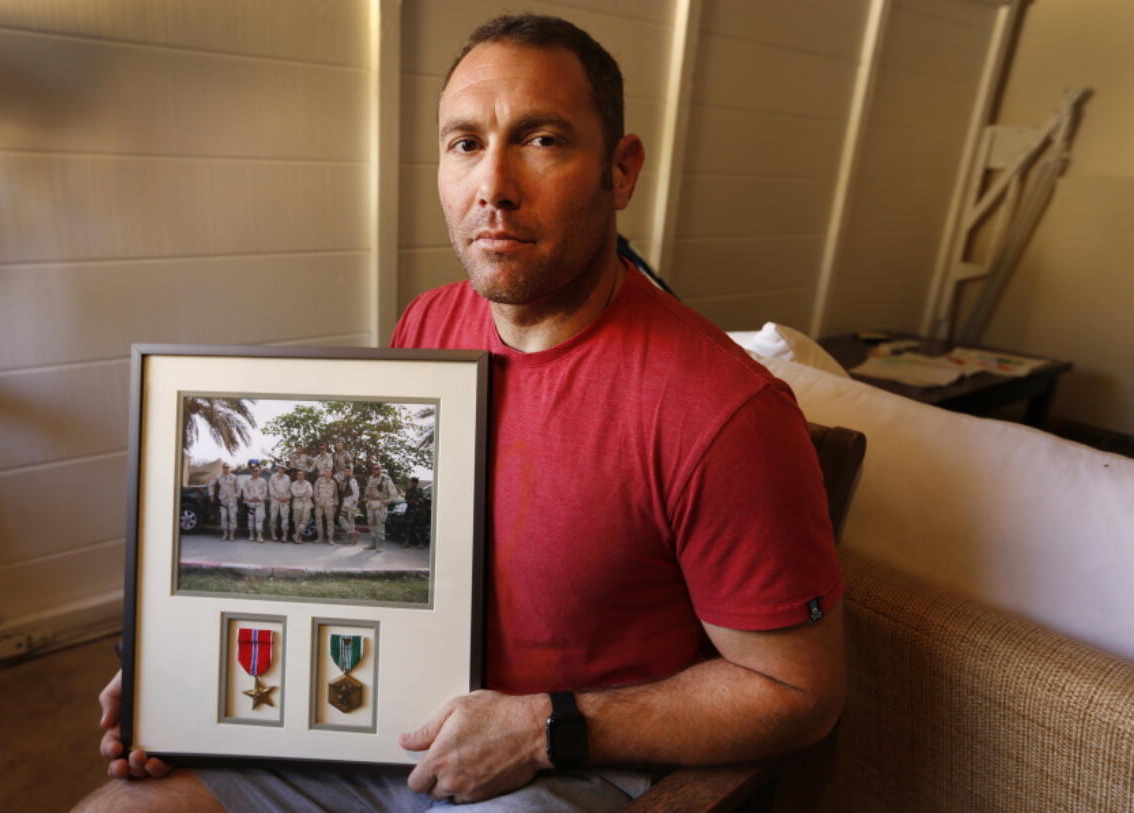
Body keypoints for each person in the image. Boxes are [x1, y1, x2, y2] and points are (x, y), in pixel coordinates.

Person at [85, 14, 843, 812]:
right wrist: (189, 661)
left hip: (563, 763)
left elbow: (800, 690)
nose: (493, 186)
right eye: (465, 143)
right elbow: (379, 566)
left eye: (542, 139)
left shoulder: (724, 412)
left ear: (620, 173)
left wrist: (546, 726)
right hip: (388, 718)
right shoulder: (426, 326)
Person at [363, 463, 397, 551]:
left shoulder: (386, 479)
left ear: (381, 469)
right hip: (370, 504)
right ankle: (372, 543)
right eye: (374, 468)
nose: (376, 470)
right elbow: (367, 489)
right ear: (372, 469)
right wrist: (366, 498)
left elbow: (393, 492)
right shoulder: (370, 478)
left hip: (380, 504)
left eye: (378, 468)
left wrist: (388, 501)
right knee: (371, 524)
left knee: (380, 525)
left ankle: (380, 545)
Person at [207, 462, 239, 541]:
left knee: (232, 517)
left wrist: (237, 496)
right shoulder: (218, 477)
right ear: (222, 468)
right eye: (224, 467)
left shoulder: (234, 477)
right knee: (223, 517)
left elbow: (239, 488)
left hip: (232, 500)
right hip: (223, 500)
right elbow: (211, 485)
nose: (226, 469)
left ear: (229, 468)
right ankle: (225, 533)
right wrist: (211, 495)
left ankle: (232, 534)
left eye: (227, 467)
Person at [238, 462, 267, 543]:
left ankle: (259, 536)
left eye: (257, 471)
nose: (255, 472)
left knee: (259, 519)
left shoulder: (263, 481)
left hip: (259, 503)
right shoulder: (247, 481)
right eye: (254, 471)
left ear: (259, 472)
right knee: (250, 519)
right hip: (250, 503)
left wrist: (259, 499)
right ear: (252, 472)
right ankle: (251, 535)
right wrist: (250, 498)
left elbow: (265, 492)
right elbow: (245, 491)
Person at [312, 469, 339, 545]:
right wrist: (317, 501)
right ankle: (320, 537)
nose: (328, 473)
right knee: (318, 521)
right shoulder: (319, 481)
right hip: (319, 504)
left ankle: (330, 538)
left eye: (329, 472)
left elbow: (335, 495)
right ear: (324, 473)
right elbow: (315, 492)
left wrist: (335, 506)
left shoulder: (333, 483)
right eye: (326, 472)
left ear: (331, 474)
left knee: (330, 521)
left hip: (330, 505)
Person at [266, 463, 291, 541]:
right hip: (275, 500)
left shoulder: (287, 478)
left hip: (284, 501)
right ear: (278, 468)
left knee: (285, 518)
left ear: (284, 469)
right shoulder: (273, 477)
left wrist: (287, 497)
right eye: (280, 468)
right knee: (273, 518)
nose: (281, 469)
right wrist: (278, 498)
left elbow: (290, 489)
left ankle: (284, 535)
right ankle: (273, 535)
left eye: (283, 468)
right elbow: (271, 489)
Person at [288, 468, 313, 544]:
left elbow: (310, 493)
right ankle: (299, 538)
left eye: (301, 475)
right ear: (296, 476)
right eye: (298, 475)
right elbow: (294, 494)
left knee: (305, 521)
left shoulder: (308, 484)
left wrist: (300, 493)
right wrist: (304, 492)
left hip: (306, 504)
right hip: (297, 505)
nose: (300, 476)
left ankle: (296, 535)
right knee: (297, 522)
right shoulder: (293, 484)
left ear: (304, 476)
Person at [337, 464, 360, 544]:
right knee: (341, 518)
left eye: (348, 471)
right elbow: (342, 489)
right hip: (345, 501)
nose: (346, 472)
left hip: (351, 501)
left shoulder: (352, 480)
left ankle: (351, 539)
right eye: (345, 471)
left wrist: (354, 503)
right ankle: (353, 534)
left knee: (351, 521)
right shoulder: (344, 479)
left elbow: (356, 492)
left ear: (350, 472)